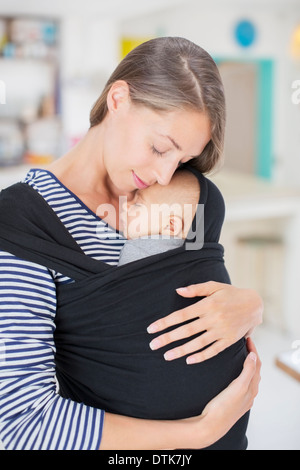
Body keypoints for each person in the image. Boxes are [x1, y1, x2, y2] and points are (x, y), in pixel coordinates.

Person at [0, 36, 262, 450]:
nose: (164, 173)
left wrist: (251, 305)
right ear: (118, 99)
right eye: (160, 148)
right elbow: (18, 423)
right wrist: (198, 433)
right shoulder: (22, 223)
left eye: (180, 159)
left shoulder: (178, 194)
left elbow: (171, 294)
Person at [117, 168, 199, 265]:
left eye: (137, 205)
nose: (125, 206)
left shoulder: (138, 251)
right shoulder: (194, 261)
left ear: (170, 226)